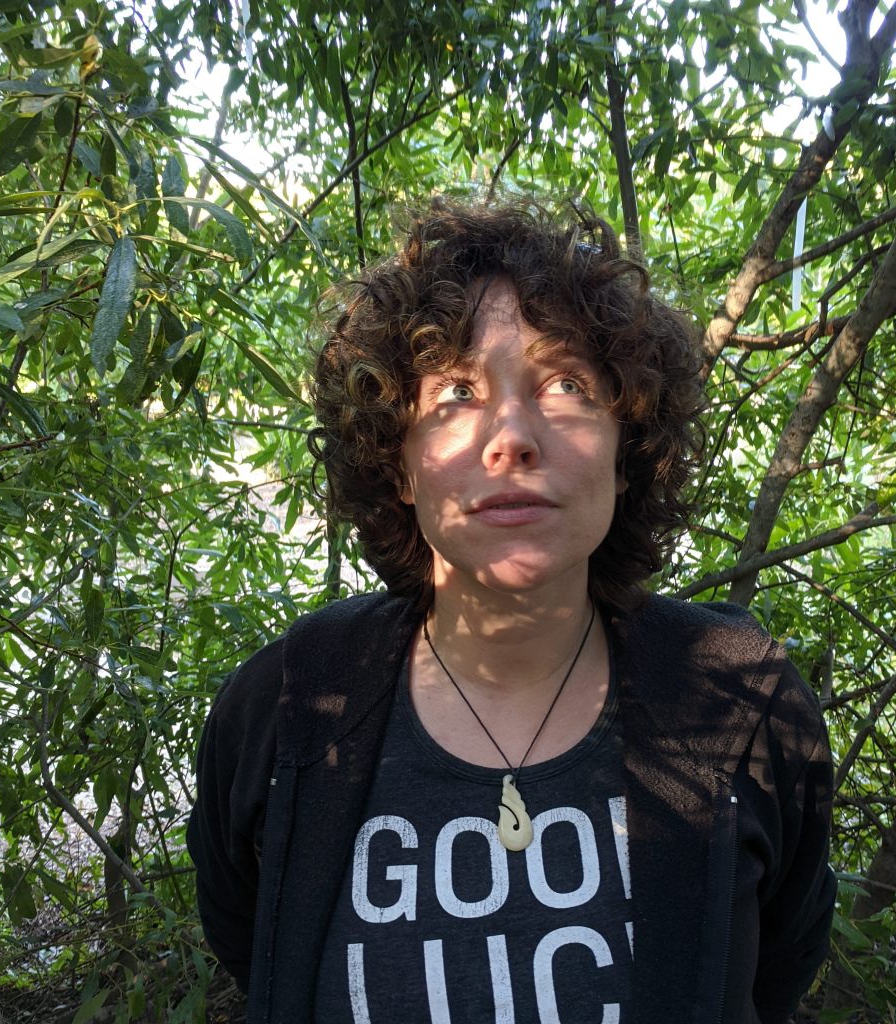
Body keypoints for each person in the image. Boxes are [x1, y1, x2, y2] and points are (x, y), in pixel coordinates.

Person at [187, 198, 836, 1024]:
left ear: (628, 448)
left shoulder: (744, 706)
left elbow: (772, 972)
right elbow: (255, 946)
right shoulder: (288, 708)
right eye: (456, 391)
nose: (511, 436)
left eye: (565, 383)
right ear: (398, 462)